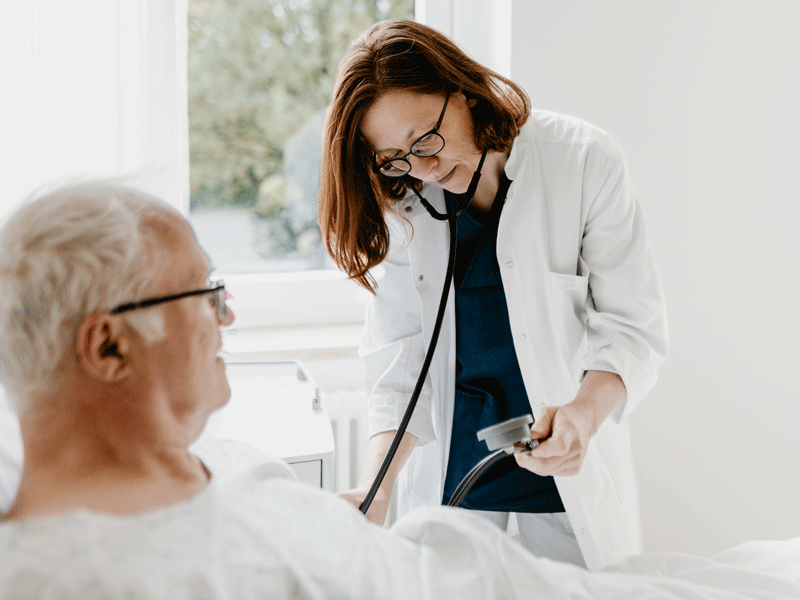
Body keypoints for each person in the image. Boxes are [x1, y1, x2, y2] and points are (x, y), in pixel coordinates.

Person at [1, 181, 798, 599]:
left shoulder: (223, 465)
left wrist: (340, 518)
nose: (228, 313)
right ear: (108, 344)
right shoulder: (83, 577)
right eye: (202, 295)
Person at [317, 19, 669, 570]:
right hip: (456, 486)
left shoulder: (581, 161)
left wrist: (582, 413)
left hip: (562, 487)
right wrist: (374, 488)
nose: (425, 168)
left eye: (425, 140)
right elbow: (401, 366)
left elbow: (631, 330)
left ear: (461, 90)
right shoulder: (410, 205)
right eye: (396, 158)